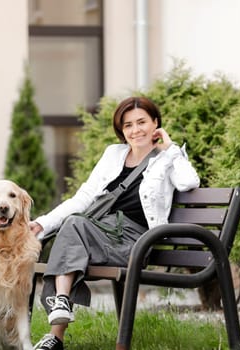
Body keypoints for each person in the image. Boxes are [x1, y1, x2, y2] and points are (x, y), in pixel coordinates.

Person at [29, 96, 200, 350]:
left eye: (142, 122)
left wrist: (171, 148)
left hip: (138, 242)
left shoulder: (168, 158)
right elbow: (84, 197)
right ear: (121, 130)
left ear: (156, 123)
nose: (135, 130)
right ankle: (60, 310)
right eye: (128, 125)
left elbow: (189, 182)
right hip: (103, 234)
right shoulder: (114, 154)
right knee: (73, 225)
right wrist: (43, 225)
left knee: (75, 227)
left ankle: (57, 331)